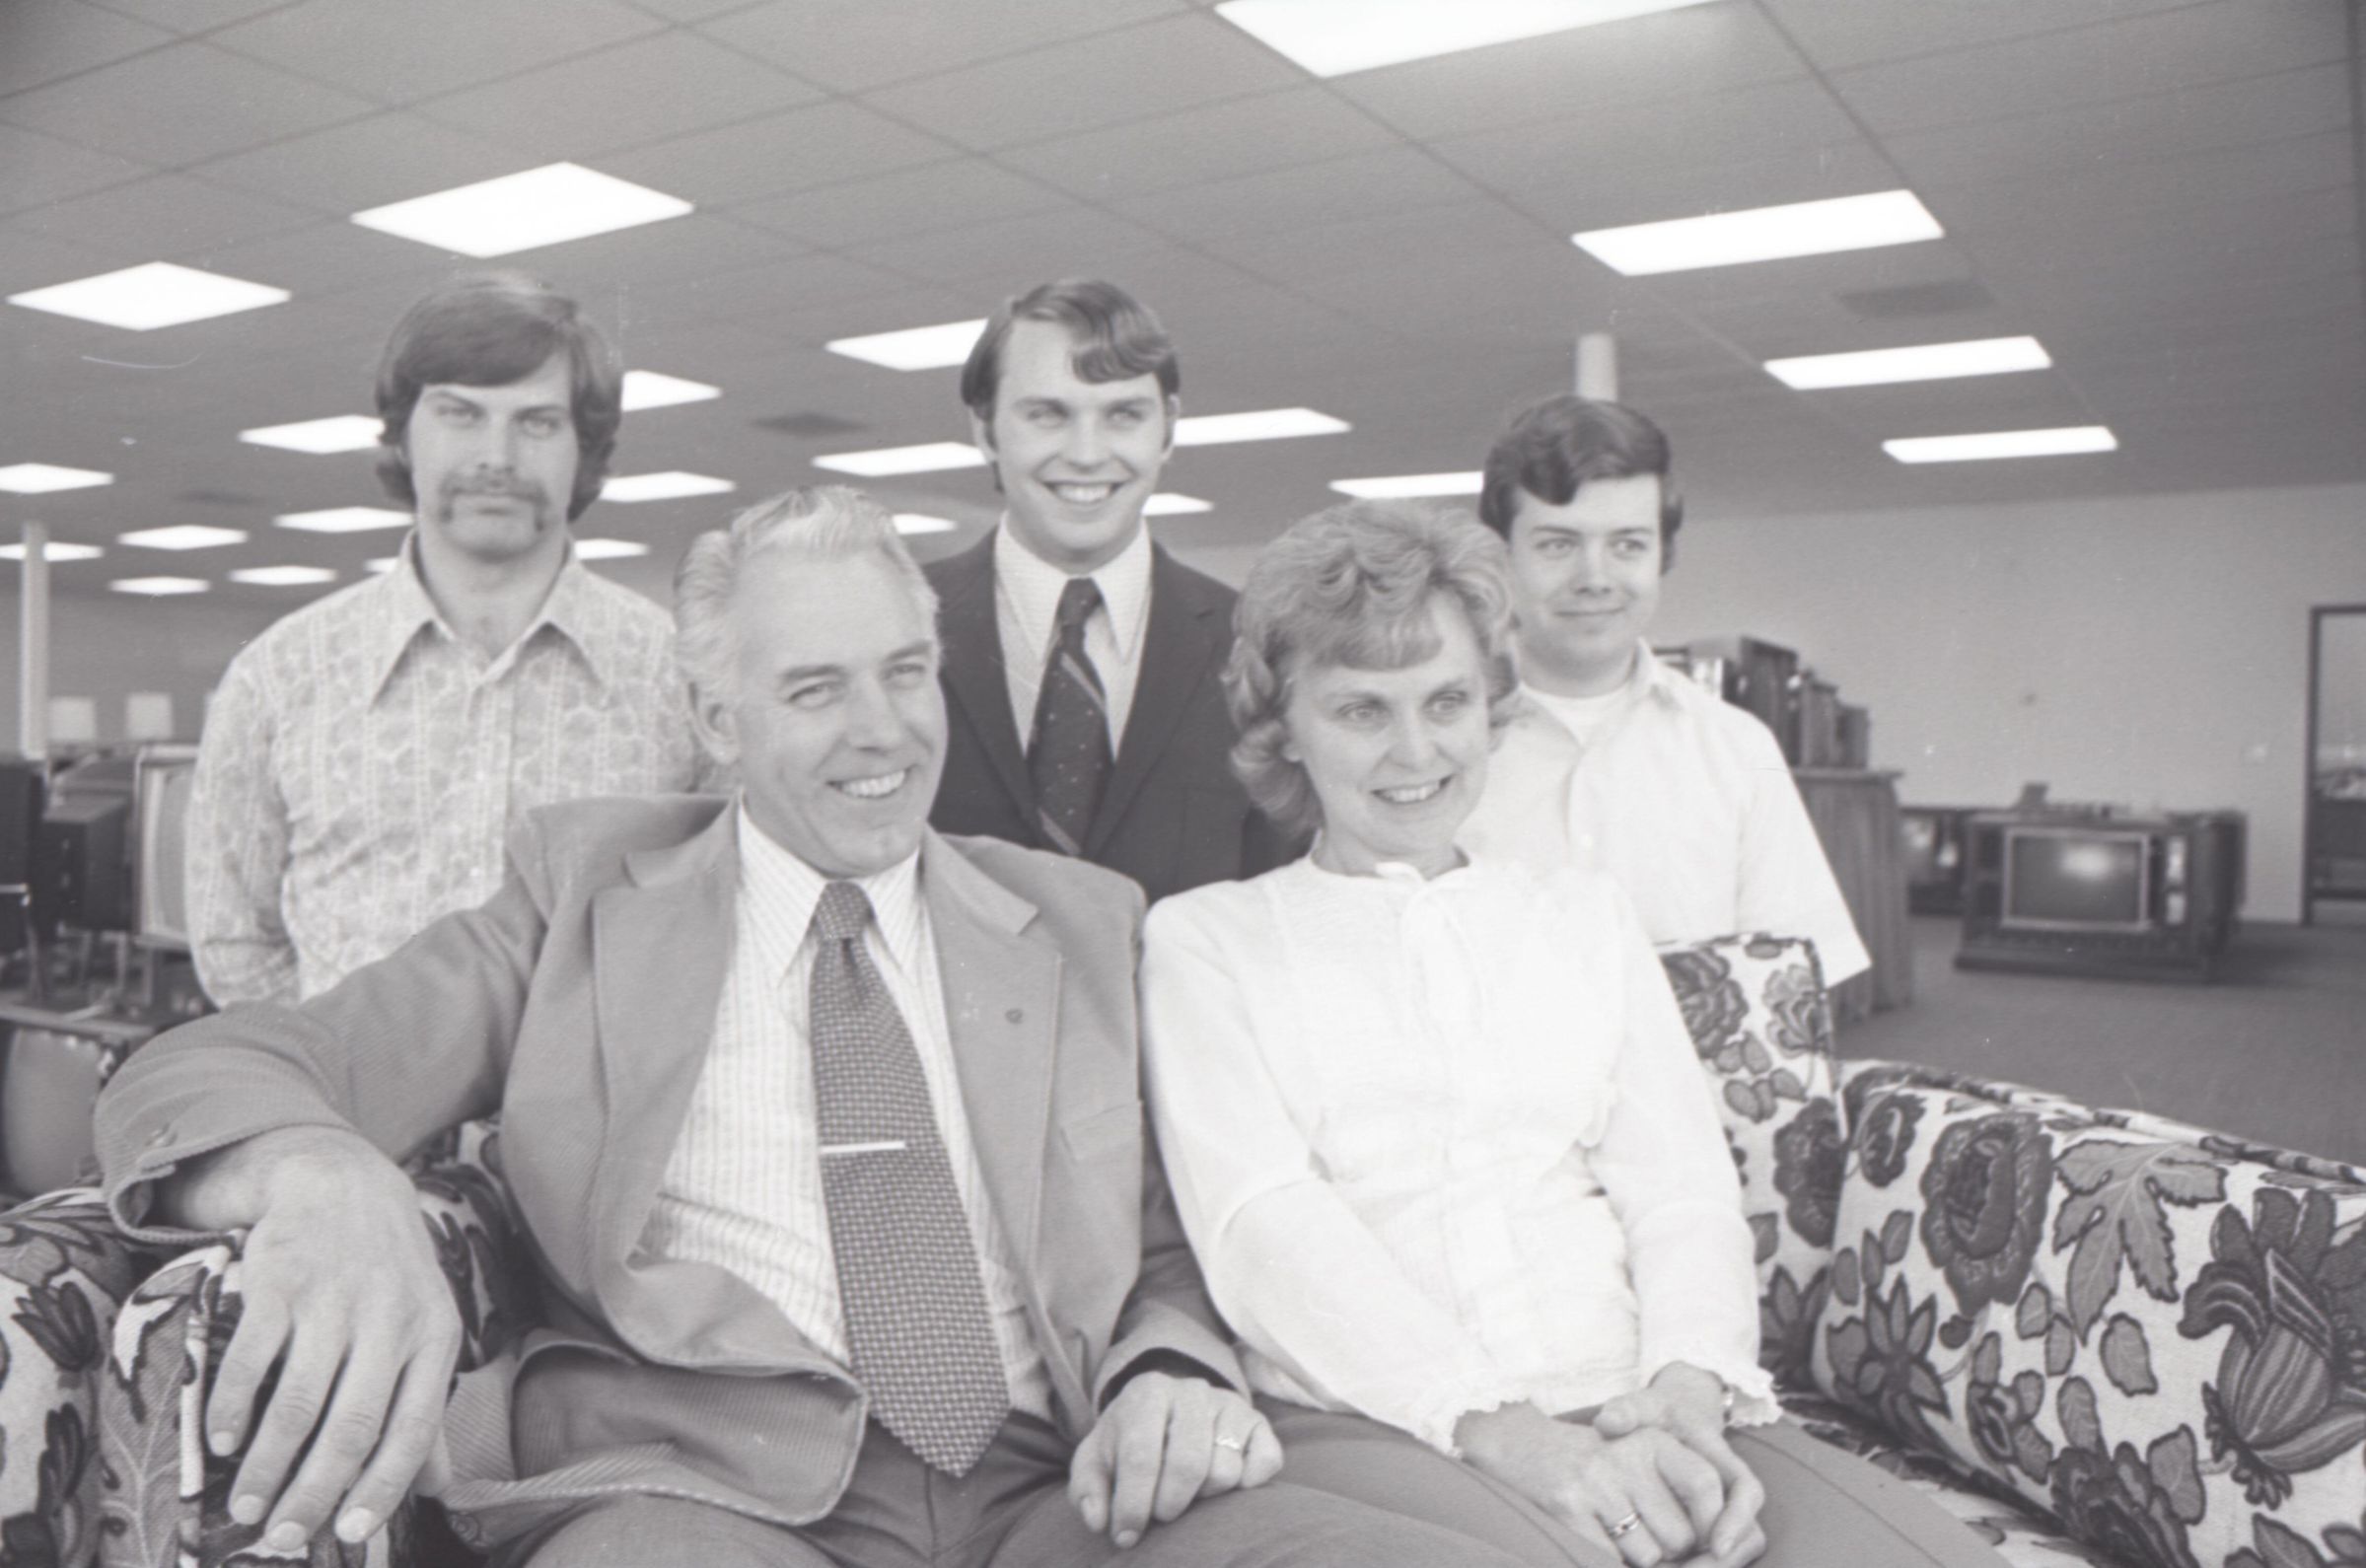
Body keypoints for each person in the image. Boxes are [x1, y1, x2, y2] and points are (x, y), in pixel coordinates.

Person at [96, 487, 1535, 1568]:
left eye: (903, 671)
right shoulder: (580, 898)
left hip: (1061, 1484)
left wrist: (1168, 1363)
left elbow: (1168, 1238)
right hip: (708, 1487)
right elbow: (216, 1061)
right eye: (813, 688)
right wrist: (323, 1176)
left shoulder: (1081, 919)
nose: (882, 730)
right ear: (717, 718)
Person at [1140, 501, 2009, 1568]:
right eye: (1361, 710)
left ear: (1492, 706)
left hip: (1634, 1390)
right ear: (1282, 728)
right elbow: (1263, 1227)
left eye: (1447, 700)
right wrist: (1515, 1438)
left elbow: (1677, 1185)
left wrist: (1685, 1389)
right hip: (1380, 1414)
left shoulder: (1583, 914)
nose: (1415, 750)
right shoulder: (1205, 941)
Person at [185, 273, 701, 1007]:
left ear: (583, 450)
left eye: (538, 423)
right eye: (460, 414)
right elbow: (232, 942)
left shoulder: (681, 675)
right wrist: (337, 1064)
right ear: (403, 434)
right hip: (345, 1083)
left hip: (601, 1086)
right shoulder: (278, 675)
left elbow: (718, 923)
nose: (498, 456)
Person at [1457, 395, 1868, 984]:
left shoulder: (1738, 749)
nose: (1595, 578)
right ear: (1502, 557)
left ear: (1662, 556)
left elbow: (1790, 988)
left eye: (1627, 544)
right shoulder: (1432, 745)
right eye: (1557, 544)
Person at [925, 278, 1297, 903]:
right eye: (1048, 414)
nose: (1087, 454)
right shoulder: (897, 628)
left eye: (1123, 414)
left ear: (1167, 430)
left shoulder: (1254, 647)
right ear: (985, 430)